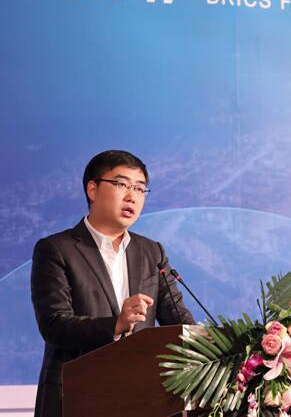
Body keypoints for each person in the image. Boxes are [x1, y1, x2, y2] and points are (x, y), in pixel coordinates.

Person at [31, 150, 194, 417]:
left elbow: (177, 319)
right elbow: (54, 325)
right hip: (75, 397)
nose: (132, 196)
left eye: (140, 188)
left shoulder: (151, 252)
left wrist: (213, 345)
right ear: (92, 189)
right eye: (121, 184)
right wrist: (116, 324)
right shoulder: (56, 249)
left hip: (142, 399)